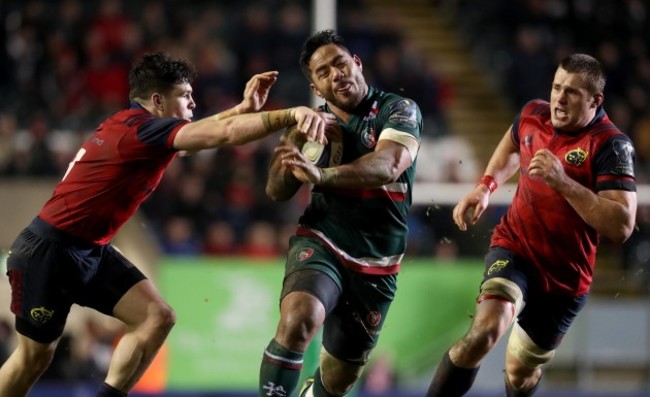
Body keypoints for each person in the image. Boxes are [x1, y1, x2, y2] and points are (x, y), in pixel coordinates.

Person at [0, 52, 330, 397]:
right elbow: (223, 134)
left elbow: (205, 134)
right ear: (158, 100)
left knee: (157, 316)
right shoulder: (142, 133)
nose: (193, 102)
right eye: (185, 96)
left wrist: (243, 107)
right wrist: (291, 113)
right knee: (33, 359)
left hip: (88, 249)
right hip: (48, 253)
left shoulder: (134, 125)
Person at [425, 53, 638, 396]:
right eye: (556, 87)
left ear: (595, 100)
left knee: (520, 372)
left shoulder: (611, 145)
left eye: (571, 92)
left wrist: (563, 181)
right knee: (485, 331)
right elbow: (513, 143)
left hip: (565, 278)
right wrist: (485, 186)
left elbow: (622, 225)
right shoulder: (533, 114)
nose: (559, 98)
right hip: (516, 247)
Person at [258, 29, 423, 397]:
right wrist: (291, 150)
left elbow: (388, 165)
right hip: (323, 240)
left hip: (378, 260)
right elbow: (275, 191)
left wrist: (322, 174)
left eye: (340, 63)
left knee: (336, 382)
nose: (336, 74)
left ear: (357, 64)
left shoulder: (398, 109)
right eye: (323, 72)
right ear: (317, 88)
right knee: (300, 319)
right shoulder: (311, 125)